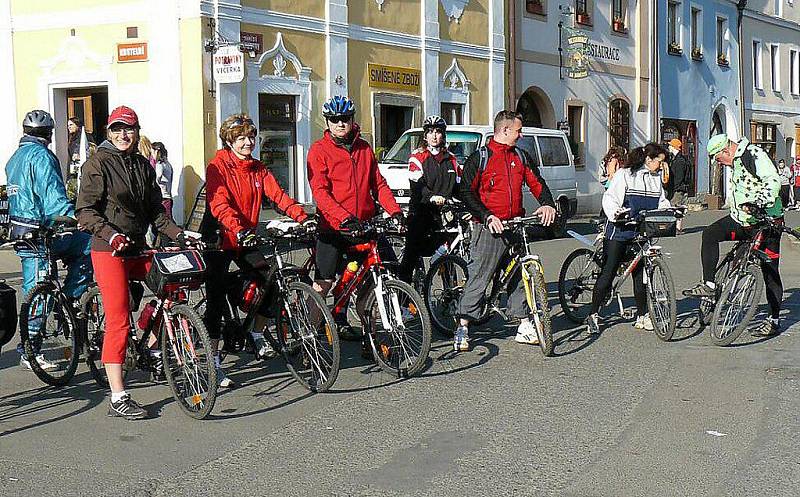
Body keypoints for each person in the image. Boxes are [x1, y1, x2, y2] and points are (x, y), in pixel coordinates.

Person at [76, 105, 197, 420]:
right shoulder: (97, 164)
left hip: (138, 246)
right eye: (116, 129)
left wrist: (180, 234)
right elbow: (86, 211)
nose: (122, 135)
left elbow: (157, 212)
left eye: (128, 129)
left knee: (173, 290)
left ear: (137, 131)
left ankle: (153, 345)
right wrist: (111, 235)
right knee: (118, 320)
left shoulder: (143, 165)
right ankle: (118, 396)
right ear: (109, 132)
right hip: (108, 249)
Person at [202, 114, 312, 388]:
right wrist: (237, 229)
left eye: (251, 137)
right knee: (216, 299)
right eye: (241, 138)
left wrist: (303, 217)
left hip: (244, 237)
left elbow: (279, 196)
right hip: (219, 237)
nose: (248, 142)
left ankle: (256, 333)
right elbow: (220, 205)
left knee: (270, 280)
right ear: (229, 141)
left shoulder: (258, 168)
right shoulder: (218, 166)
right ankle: (213, 361)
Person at [453, 110, 557, 352]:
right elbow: (466, 192)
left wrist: (547, 203)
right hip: (489, 227)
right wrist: (487, 216)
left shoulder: (521, 156)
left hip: (515, 225)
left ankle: (523, 324)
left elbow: (537, 182)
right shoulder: (481, 157)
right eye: (519, 131)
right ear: (505, 130)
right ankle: (463, 325)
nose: (521, 136)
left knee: (520, 277)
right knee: (480, 275)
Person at [306, 95, 404, 351]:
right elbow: (320, 192)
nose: (340, 123)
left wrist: (395, 212)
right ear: (327, 122)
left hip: (364, 225)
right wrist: (344, 218)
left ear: (352, 120)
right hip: (333, 228)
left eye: (345, 119)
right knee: (323, 285)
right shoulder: (318, 150)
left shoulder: (364, 148)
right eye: (335, 119)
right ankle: (309, 336)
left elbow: (378, 184)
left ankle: (371, 338)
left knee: (374, 281)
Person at [5, 109, 93, 370]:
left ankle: (59, 301)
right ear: (48, 134)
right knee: (88, 244)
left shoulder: (14, 158)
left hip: (22, 232)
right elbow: (54, 198)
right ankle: (32, 346)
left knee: (34, 288)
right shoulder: (42, 157)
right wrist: (76, 219)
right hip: (42, 233)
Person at [683, 134, 784, 336]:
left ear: (727, 150)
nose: (721, 164)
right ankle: (710, 285)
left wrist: (758, 203)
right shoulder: (735, 161)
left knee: (770, 271)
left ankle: (773, 319)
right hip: (741, 220)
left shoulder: (753, 154)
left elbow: (773, 182)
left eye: (719, 159)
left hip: (766, 221)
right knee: (710, 234)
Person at [585, 143, 672, 335]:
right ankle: (593, 314)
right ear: (649, 160)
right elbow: (609, 198)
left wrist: (672, 212)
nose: (662, 166)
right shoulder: (625, 174)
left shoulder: (655, 179)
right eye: (660, 161)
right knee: (608, 273)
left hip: (641, 232)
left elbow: (662, 201)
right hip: (620, 230)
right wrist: (615, 213)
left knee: (641, 275)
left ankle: (643, 316)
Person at [396, 115, 460, 283]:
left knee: (450, 254)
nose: (434, 135)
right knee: (411, 255)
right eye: (430, 132)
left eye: (438, 132)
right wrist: (432, 197)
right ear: (425, 136)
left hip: (445, 214)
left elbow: (459, 188)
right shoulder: (417, 157)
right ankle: (403, 300)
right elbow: (418, 187)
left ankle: (450, 295)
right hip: (422, 211)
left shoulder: (451, 159)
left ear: (443, 135)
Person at [667, 138, 690, 233]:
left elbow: (679, 177)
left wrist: (675, 187)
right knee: (678, 207)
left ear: (674, 147)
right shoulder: (677, 159)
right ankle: (677, 227)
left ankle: (677, 228)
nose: (668, 147)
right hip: (679, 187)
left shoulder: (680, 161)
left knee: (676, 207)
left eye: (670, 145)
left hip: (678, 188)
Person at [151, 142, 173, 219]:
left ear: (156, 152)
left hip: (162, 197)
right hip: (167, 196)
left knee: (164, 222)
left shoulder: (159, 165)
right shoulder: (167, 164)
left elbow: (157, 178)